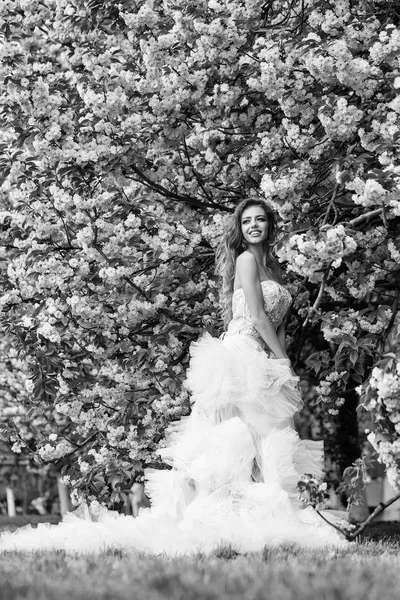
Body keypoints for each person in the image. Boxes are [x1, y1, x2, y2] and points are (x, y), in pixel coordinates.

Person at [0, 199, 345, 554]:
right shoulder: (245, 260)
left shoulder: (273, 268)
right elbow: (256, 317)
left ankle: (272, 515)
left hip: (263, 357)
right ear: (240, 229)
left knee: (273, 435)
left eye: (260, 220)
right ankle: (220, 518)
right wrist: (283, 359)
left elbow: (277, 323)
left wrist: (279, 361)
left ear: (270, 225)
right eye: (246, 222)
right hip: (243, 356)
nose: (254, 226)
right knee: (239, 437)